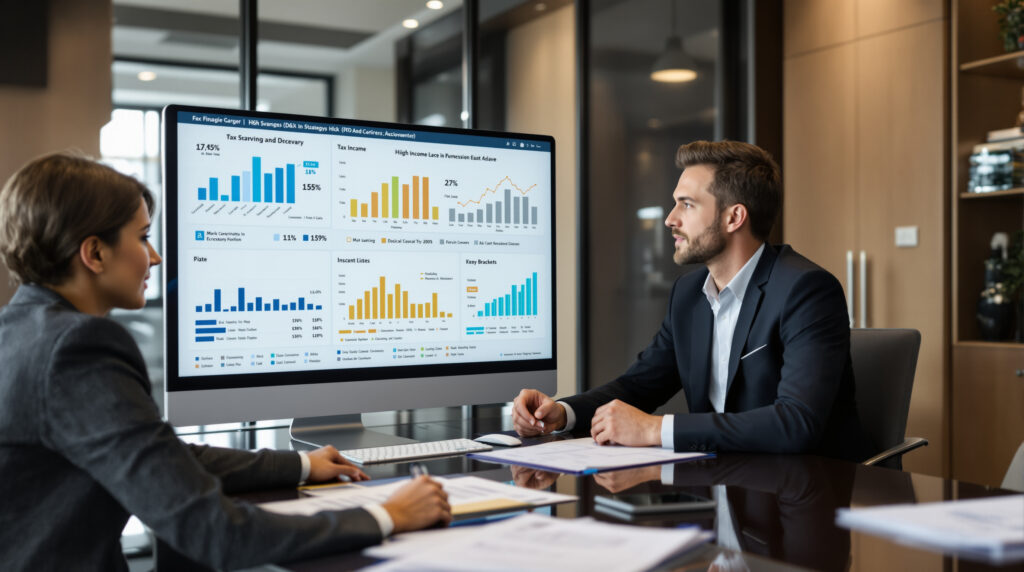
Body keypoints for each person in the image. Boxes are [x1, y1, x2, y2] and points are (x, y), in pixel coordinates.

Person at [0, 153, 451, 571]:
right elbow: (213, 532)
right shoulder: (77, 348)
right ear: (94, 253)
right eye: (142, 238)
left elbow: (155, 454)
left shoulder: (19, 333)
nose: (155, 257)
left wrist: (301, 466)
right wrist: (387, 514)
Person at [513, 140, 871, 461]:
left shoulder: (806, 290)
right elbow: (639, 385)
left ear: (734, 217)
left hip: (802, 497)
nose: (670, 219)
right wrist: (562, 412)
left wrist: (656, 430)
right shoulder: (689, 294)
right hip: (719, 485)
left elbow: (797, 422)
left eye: (686, 205)